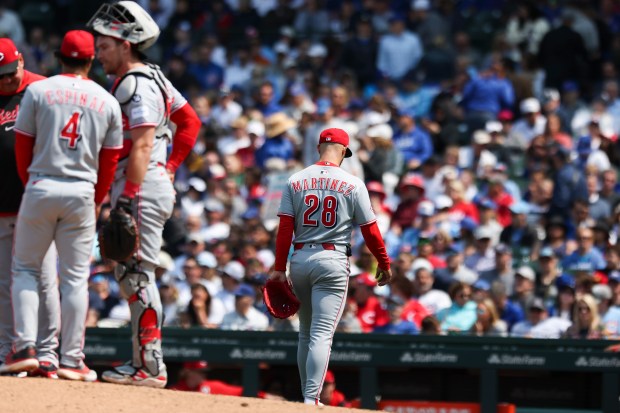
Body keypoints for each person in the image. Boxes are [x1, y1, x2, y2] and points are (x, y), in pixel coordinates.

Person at [88, 1, 201, 388]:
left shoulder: (135, 83)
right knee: (132, 271)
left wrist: (126, 197)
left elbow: (141, 145)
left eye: (104, 46)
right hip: (149, 180)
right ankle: (144, 361)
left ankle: (150, 366)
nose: (98, 53)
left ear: (126, 44)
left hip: (138, 184)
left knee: (136, 274)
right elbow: (189, 121)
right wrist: (169, 168)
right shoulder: (153, 75)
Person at [3, 30, 123, 382]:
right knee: (73, 279)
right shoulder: (107, 100)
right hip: (83, 190)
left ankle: (24, 348)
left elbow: (23, 145)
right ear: (90, 60)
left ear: (60, 58)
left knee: (24, 270)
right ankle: (69, 359)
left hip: (41, 183)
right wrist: (97, 198)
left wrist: (32, 186)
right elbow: (110, 161)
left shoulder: (38, 91)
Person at [270, 127, 392, 406]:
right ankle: (311, 398)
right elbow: (370, 230)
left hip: (299, 259)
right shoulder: (353, 183)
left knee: (305, 331)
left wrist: (279, 267)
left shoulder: (295, 179)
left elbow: (285, 228)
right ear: (343, 151)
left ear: (318, 148)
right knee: (321, 334)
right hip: (332, 259)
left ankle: (307, 396)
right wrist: (384, 263)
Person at [0, 37, 59, 379]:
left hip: (37, 202)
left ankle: (48, 352)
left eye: (11, 72)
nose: (8, 80)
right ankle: (10, 350)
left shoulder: (41, 89)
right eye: (1, 75)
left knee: (44, 279)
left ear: (21, 61)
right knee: (5, 283)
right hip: (3, 205)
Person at [170, 360, 283, 400]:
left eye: (205, 372)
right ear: (188, 372)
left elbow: (239, 391)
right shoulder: (175, 390)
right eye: (200, 372)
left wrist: (263, 395)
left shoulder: (210, 386)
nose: (204, 375)